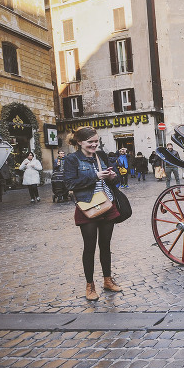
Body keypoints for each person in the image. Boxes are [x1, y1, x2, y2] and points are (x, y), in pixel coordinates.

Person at [63, 126, 124, 301]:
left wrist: (112, 177)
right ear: (80, 142)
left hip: (107, 204)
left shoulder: (102, 155)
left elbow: (116, 179)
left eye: (96, 141)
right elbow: (69, 184)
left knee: (106, 246)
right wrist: (96, 176)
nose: (94, 145)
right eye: (90, 142)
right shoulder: (72, 159)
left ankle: (107, 280)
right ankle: (90, 286)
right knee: (89, 248)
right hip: (87, 207)